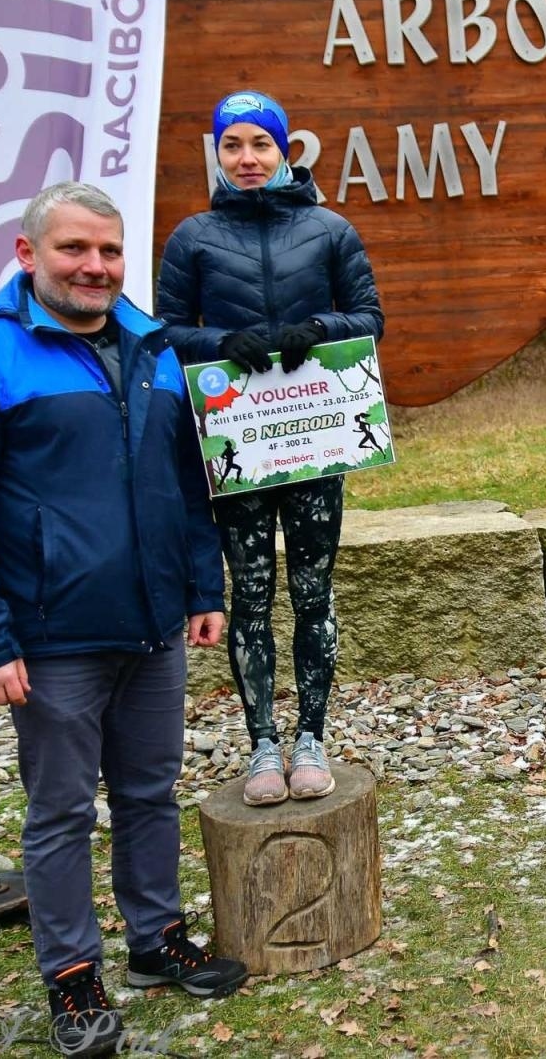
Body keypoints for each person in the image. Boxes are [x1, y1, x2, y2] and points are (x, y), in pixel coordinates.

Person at [0, 181, 248, 1057]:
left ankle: (156, 941)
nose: (94, 267)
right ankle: (71, 977)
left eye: (108, 251)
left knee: (148, 793)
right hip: (50, 638)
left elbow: (188, 486)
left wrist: (202, 589)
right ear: (28, 255)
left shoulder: (152, 348)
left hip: (153, 625)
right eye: (73, 250)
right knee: (61, 812)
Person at [158, 91, 384, 806]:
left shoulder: (329, 229)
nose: (248, 159)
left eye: (261, 144)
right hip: (239, 445)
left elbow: (369, 317)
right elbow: (164, 333)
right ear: (217, 154)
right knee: (250, 595)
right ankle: (262, 743)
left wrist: (316, 327)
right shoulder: (192, 237)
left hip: (314, 439)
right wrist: (219, 343)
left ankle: (310, 735)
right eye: (233, 146)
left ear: (286, 151)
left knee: (313, 592)